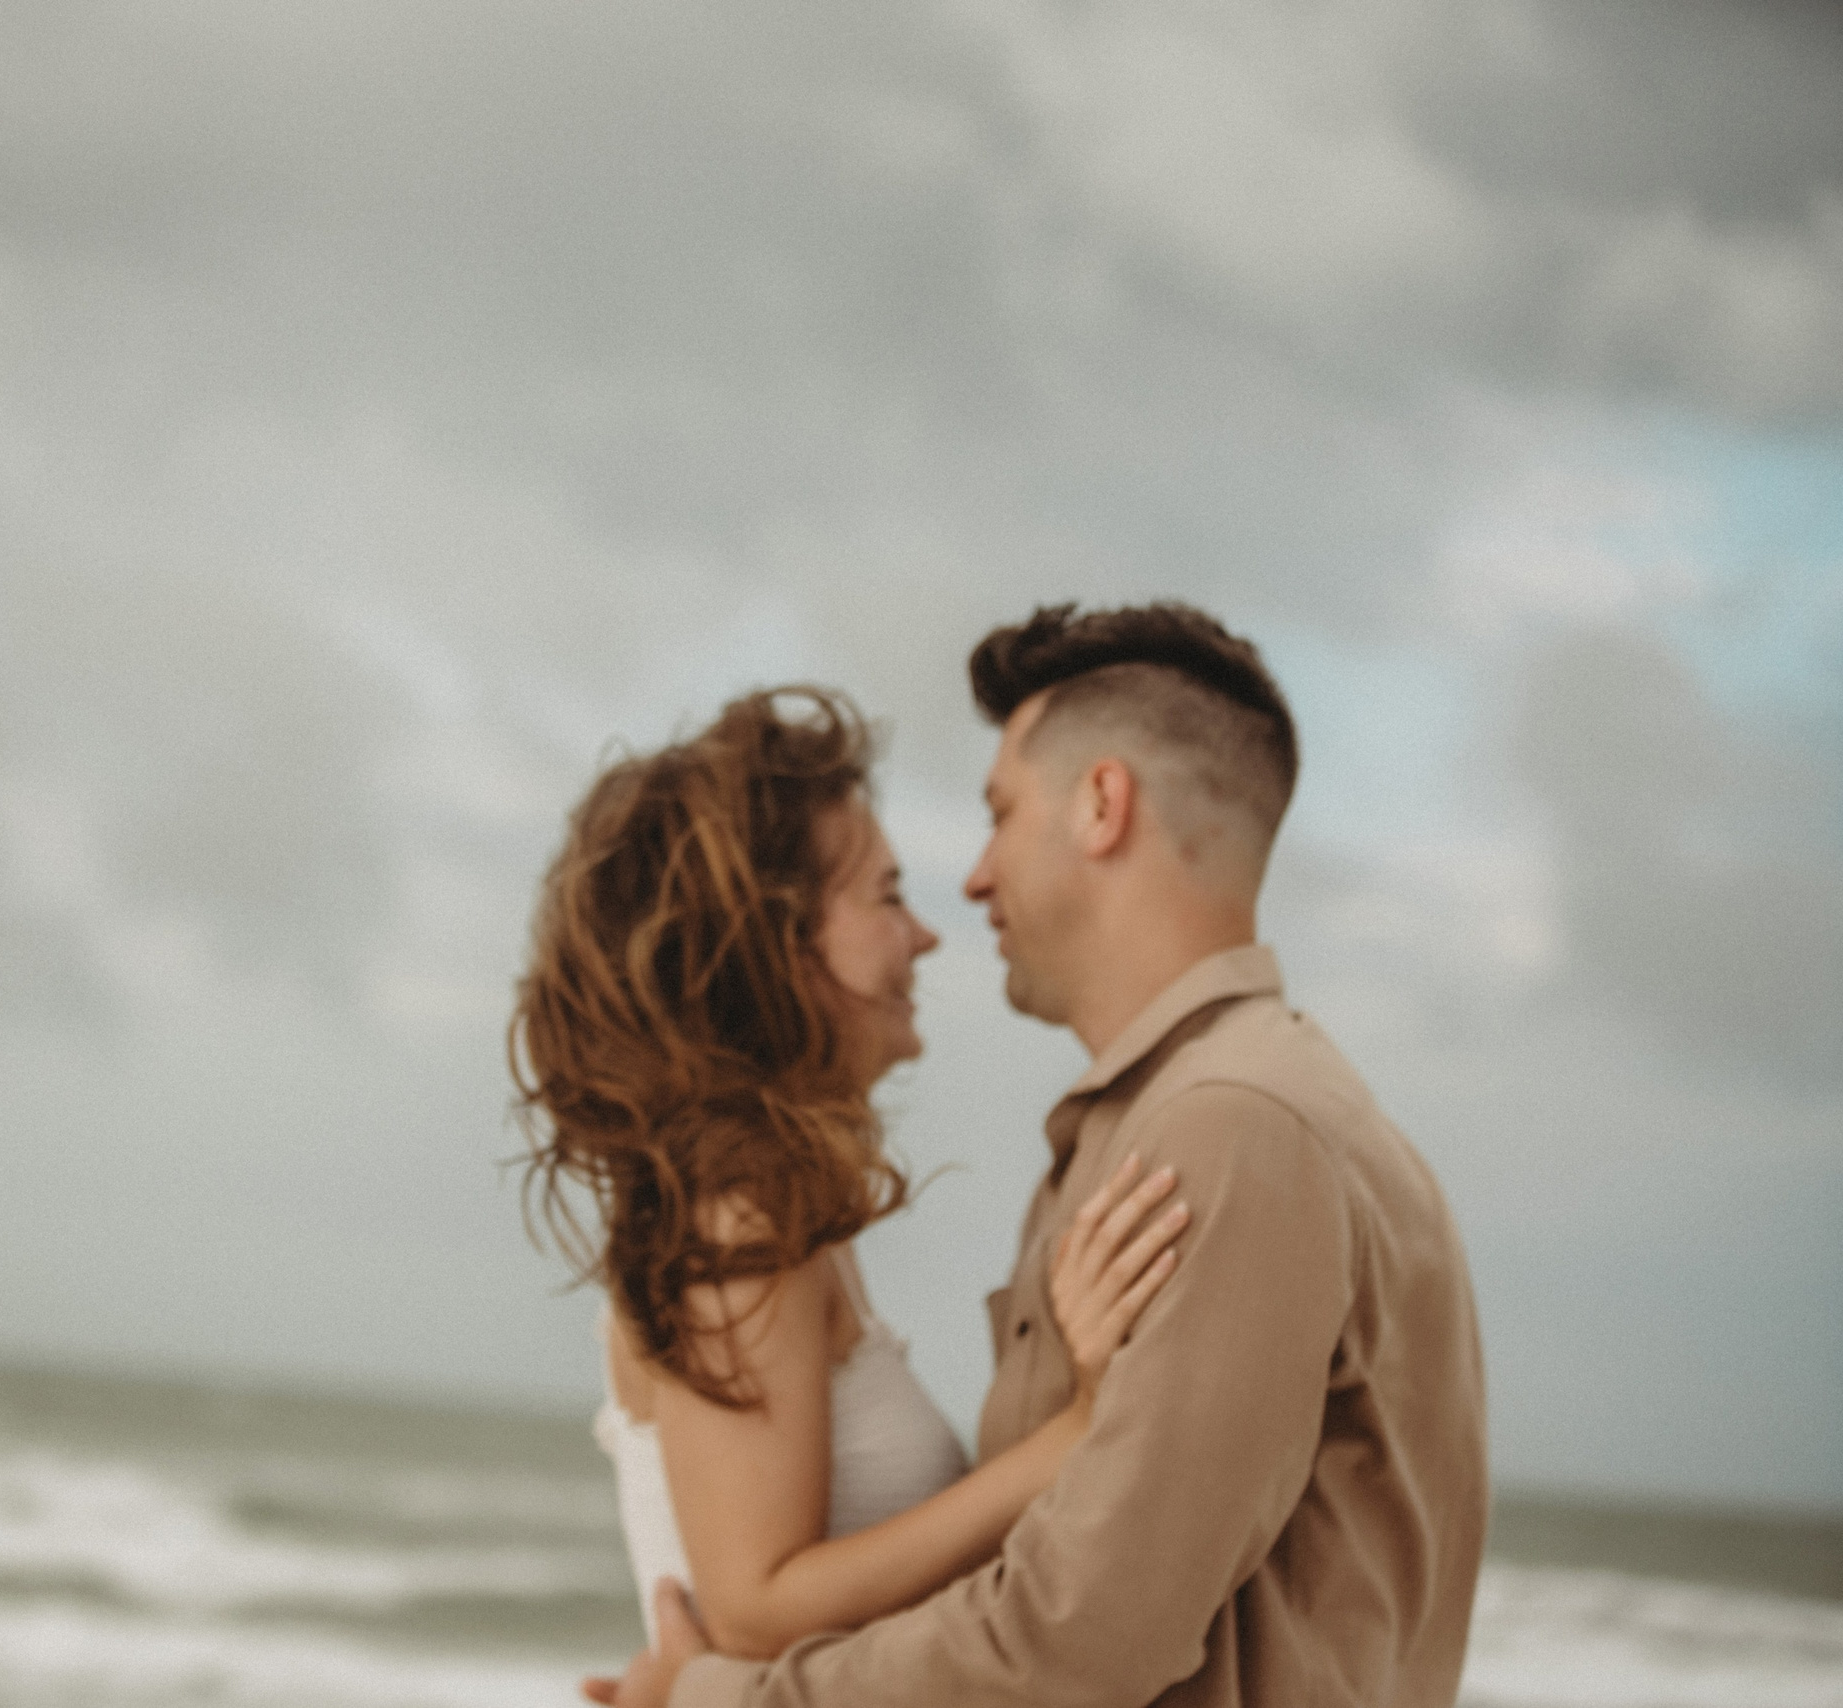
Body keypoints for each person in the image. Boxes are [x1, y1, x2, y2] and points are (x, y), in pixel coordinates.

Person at [597, 604, 1490, 1708]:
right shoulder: (1163, 1128)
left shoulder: (1233, 1127)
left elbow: (1072, 1643)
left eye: (997, 812)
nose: (966, 884)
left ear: (1102, 804)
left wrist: (714, 1700)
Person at [512, 686, 1190, 1669]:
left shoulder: (769, 1214)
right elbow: (754, 1606)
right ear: (779, 948)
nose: (922, 933)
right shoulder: (734, 1220)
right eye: (885, 895)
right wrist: (1078, 1430)